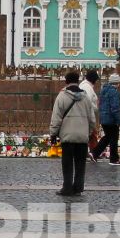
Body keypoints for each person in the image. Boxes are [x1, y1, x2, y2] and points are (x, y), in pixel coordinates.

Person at [49, 67, 97, 197]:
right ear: (78, 81)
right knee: (80, 163)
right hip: (82, 136)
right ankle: (78, 187)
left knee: (67, 163)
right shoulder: (85, 97)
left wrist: (53, 133)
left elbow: (56, 117)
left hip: (67, 136)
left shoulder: (62, 96)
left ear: (66, 81)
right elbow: (92, 118)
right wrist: (90, 131)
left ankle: (67, 187)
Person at [96, 70, 120, 163]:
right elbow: (115, 108)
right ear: (117, 83)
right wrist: (119, 120)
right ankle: (114, 159)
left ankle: (94, 153)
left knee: (107, 137)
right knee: (113, 139)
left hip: (103, 118)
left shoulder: (103, 90)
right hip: (111, 119)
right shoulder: (114, 92)